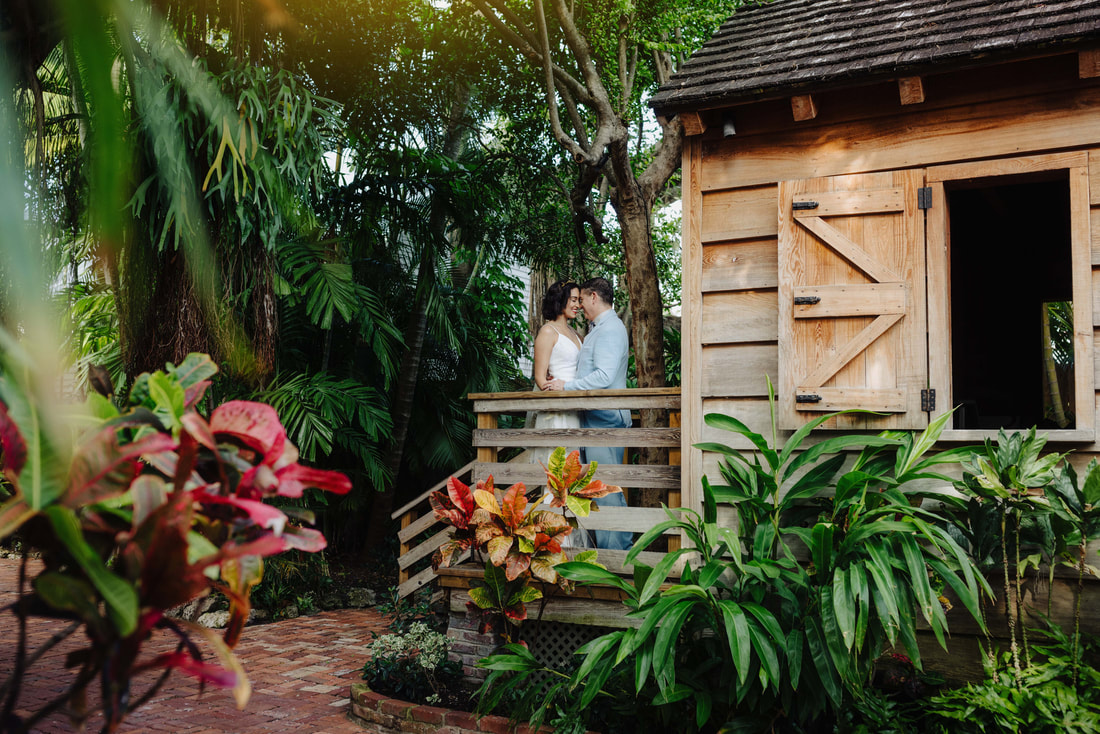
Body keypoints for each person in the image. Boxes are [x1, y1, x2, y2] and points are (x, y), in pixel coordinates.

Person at [547, 277, 632, 550]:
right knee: (598, 489)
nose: (580, 305)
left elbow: (605, 376)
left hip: (605, 421)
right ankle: (607, 555)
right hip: (595, 420)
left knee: (607, 491)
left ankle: (618, 557)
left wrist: (566, 386)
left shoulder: (610, 330)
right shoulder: (600, 328)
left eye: (582, 299)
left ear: (593, 297)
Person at [530, 280, 583, 461]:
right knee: (556, 466)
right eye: (574, 300)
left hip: (576, 405)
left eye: (578, 300)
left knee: (574, 469)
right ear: (561, 299)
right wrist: (555, 390)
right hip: (556, 409)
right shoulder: (548, 331)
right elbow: (540, 378)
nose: (578, 305)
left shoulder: (575, 333)